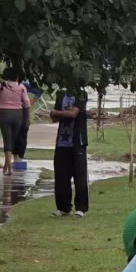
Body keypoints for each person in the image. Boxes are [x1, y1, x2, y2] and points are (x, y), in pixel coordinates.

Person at [50, 87, 90, 217]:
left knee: (80, 175)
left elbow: (73, 114)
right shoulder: (61, 94)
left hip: (77, 141)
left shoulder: (81, 94)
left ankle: (81, 208)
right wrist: (63, 113)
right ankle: (63, 207)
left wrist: (59, 112)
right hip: (62, 141)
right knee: (61, 174)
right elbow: (52, 116)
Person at [0, 68, 30, 176]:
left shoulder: (0, 86)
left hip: (5, 113)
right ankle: (7, 166)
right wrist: (26, 119)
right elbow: (27, 103)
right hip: (18, 114)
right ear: (17, 77)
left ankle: (8, 167)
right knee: (12, 139)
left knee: (6, 139)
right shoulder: (22, 87)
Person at [13, 78, 43, 161]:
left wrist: (30, 102)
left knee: (22, 133)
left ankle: (19, 158)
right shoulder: (10, 82)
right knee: (14, 134)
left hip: (23, 110)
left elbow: (39, 92)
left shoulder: (25, 82)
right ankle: (15, 157)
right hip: (12, 110)